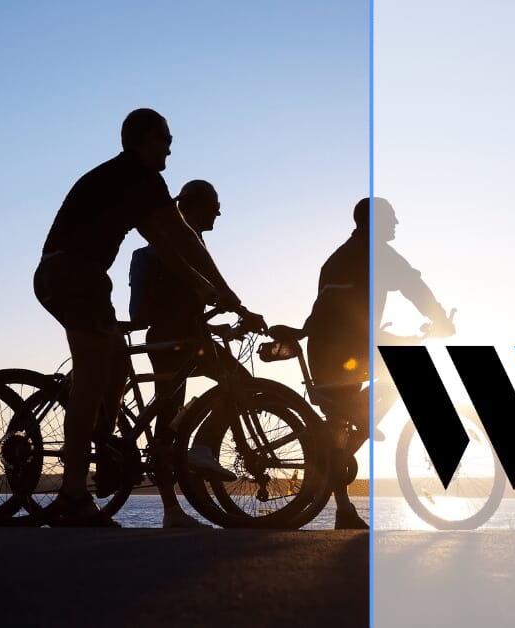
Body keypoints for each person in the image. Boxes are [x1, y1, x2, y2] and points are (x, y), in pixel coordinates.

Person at [34, 109, 263, 527]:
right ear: (141, 140)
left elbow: (169, 246)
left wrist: (210, 291)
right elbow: (184, 242)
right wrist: (229, 294)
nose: (171, 148)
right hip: (73, 275)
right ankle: (72, 493)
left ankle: (104, 447)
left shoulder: (130, 182)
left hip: (76, 277)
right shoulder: (140, 178)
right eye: (165, 139)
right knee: (91, 374)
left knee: (115, 367)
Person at [302, 196, 454, 529]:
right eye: (391, 218)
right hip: (348, 346)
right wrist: (440, 320)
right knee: (404, 368)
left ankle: (344, 507)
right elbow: (414, 286)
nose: (397, 223)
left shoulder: (341, 255)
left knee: (338, 425)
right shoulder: (375, 253)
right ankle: (363, 420)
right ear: (373, 222)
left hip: (331, 345)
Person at [128, 179, 247, 529]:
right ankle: (202, 449)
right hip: (175, 339)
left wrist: (216, 326)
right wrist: (237, 307)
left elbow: (184, 305)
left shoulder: (184, 240)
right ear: (196, 205)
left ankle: (172, 508)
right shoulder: (181, 241)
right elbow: (185, 300)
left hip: (178, 337)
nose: (219, 211)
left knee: (168, 418)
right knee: (238, 385)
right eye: (215, 204)